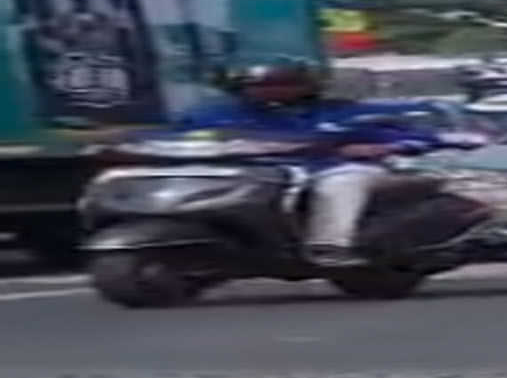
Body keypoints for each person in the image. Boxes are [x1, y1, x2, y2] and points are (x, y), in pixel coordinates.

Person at [172, 59, 439, 267]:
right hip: (245, 171)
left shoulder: (339, 111)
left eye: (281, 84)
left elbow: (411, 135)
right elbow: (173, 136)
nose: (268, 91)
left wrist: (386, 146)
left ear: (306, 86)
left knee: (341, 183)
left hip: (324, 169)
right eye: (257, 85)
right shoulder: (214, 114)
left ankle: (330, 245)